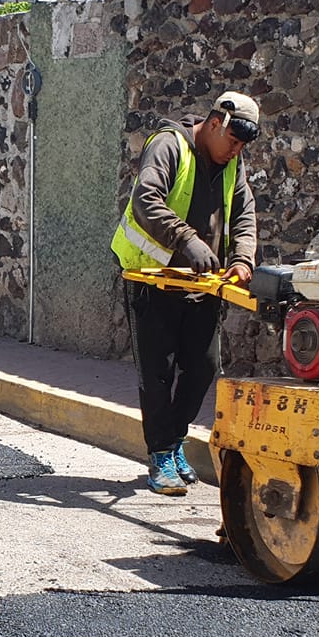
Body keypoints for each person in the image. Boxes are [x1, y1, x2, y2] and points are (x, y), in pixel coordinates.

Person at [110, 90, 261, 496]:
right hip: (152, 278)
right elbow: (146, 199)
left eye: (242, 146)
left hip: (201, 282)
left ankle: (173, 442)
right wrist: (188, 240)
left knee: (203, 367)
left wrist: (243, 258)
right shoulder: (168, 145)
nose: (235, 151)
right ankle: (160, 452)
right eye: (232, 142)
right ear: (214, 123)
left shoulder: (233, 162)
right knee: (157, 373)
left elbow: (244, 214)